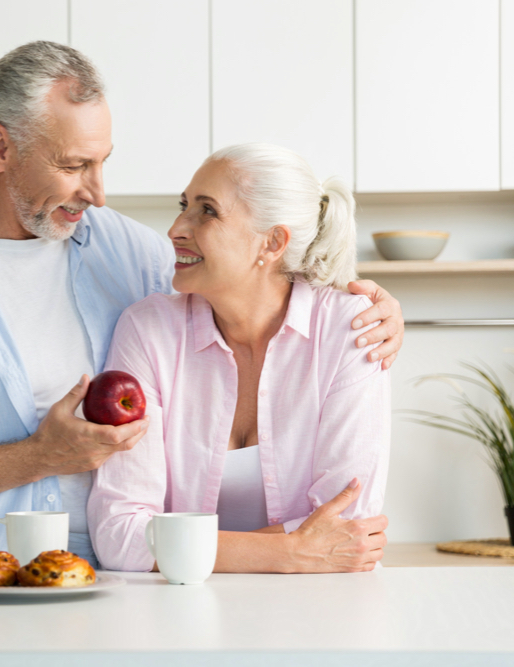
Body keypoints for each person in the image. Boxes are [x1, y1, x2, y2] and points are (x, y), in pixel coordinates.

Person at [0, 42, 403, 572]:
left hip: (123, 592)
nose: (97, 192)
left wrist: (372, 308)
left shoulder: (125, 251)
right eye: (73, 165)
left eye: (102, 162)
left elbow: (245, 275)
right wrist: (39, 455)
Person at [88, 143, 390, 573]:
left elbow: (349, 530)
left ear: (272, 242)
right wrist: (289, 551)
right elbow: (118, 535)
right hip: (180, 612)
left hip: (322, 608)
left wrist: (177, 549)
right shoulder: (147, 330)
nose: (176, 227)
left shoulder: (351, 329)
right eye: (184, 205)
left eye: (207, 211)